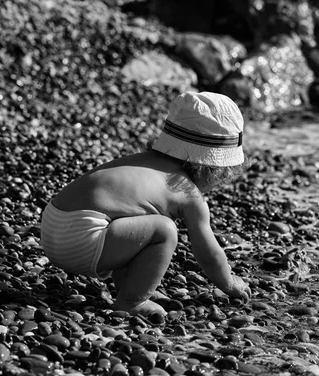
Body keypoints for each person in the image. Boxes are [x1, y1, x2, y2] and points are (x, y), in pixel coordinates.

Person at [40, 91, 251, 317]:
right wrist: (229, 283)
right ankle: (131, 301)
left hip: (52, 225)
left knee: (135, 222)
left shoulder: (138, 163)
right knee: (164, 230)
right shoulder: (186, 191)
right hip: (81, 241)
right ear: (214, 170)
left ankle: (131, 284)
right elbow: (208, 254)